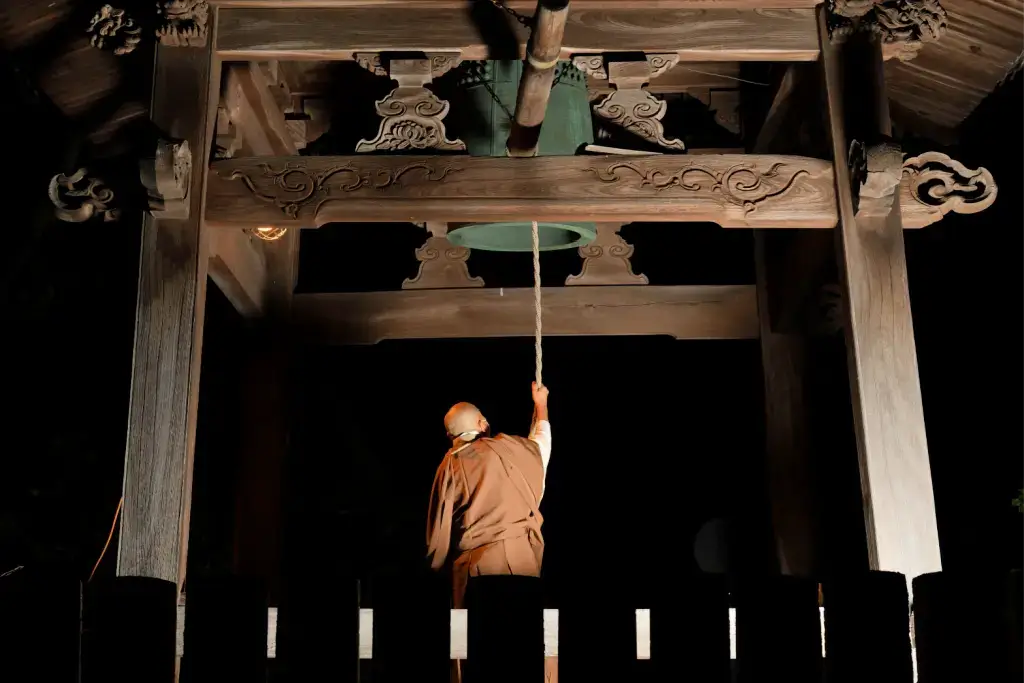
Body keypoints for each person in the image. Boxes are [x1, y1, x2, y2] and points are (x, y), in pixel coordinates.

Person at [426, 382, 551, 608]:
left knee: (478, 640)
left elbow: (438, 536)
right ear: (482, 424)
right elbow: (541, 448)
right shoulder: (511, 449)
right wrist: (541, 405)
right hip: (522, 564)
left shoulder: (448, 466)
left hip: (475, 570)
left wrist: (437, 569)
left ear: (449, 435)